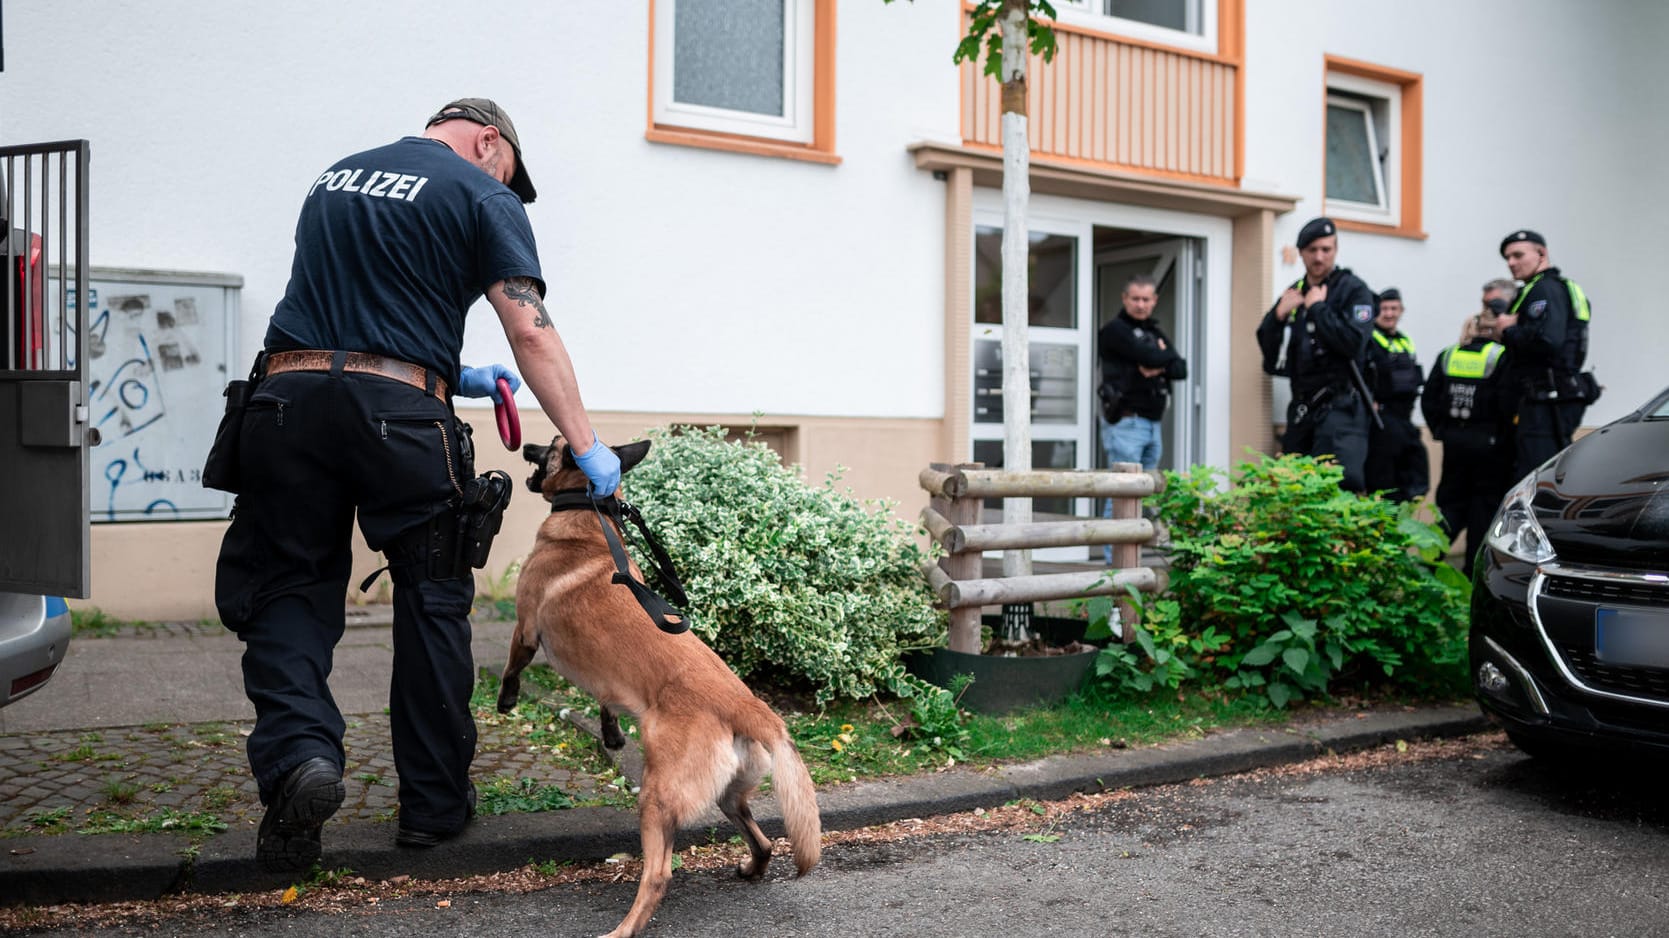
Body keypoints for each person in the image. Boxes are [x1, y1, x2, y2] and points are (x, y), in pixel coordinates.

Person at [212, 98, 622, 872]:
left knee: (287, 588)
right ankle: (432, 807)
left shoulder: (334, 177)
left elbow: (345, 307)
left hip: (284, 402)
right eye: (508, 168)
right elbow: (528, 325)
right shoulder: (479, 191)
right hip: (399, 423)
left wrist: (450, 369)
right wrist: (584, 443)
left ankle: (301, 757)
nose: (507, 181)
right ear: (488, 140)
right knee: (432, 600)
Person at [1256, 217, 1378, 491]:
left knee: (1336, 489)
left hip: (1342, 409)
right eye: (1312, 250)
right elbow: (1270, 356)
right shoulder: (1295, 292)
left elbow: (1353, 344)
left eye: (1326, 249)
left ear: (1335, 250)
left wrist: (1319, 310)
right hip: (1302, 407)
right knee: (1293, 488)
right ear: (1301, 253)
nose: (1319, 257)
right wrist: (1276, 317)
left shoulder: (1354, 290)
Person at [1422, 281, 1518, 577]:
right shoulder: (1501, 356)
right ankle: (1471, 574)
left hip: (1455, 442)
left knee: (1449, 507)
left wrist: (1441, 430)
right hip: (1489, 446)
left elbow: (1429, 398)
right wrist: (1503, 437)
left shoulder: (1449, 354)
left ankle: (1427, 565)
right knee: (1483, 512)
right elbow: (1507, 402)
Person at [1095, 273, 1185, 562]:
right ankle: (1113, 563)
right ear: (1125, 298)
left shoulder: (1154, 331)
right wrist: (1157, 359)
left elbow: (1180, 368)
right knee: (1121, 493)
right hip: (1127, 423)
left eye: (1146, 299)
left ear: (1155, 301)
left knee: (1143, 494)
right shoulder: (1115, 330)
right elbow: (1157, 359)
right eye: (1135, 298)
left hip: (1152, 424)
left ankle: (1127, 556)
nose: (1141, 304)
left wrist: (1157, 362)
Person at [1494, 229, 1594, 478]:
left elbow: (1548, 342)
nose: (1511, 263)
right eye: (1507, 258)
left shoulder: (1544, 290)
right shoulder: (1552, 287)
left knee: (1537, 479)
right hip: (1549, 397)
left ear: (1542, 253)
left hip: (1546, 401)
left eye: (1518, 255)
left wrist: (1507, 330)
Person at [1363, 287, 1428, 502]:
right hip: (1382, 419)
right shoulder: (1368, 339)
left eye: (1394, 308)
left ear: (1401, 311)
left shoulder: (1404, 340)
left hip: (1405, 419)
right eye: (1384, 309)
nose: (1389, 314)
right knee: (1383, 482)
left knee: (1413, 475)